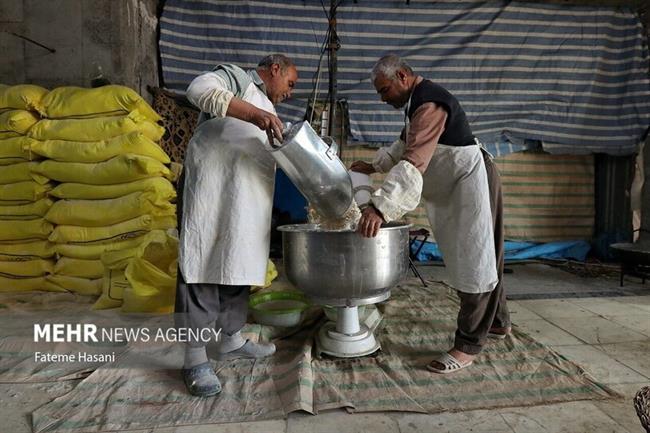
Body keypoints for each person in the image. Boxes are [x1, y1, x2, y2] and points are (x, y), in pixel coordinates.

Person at [351, 54, 510, 374]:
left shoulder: (430, 104)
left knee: (475, 259)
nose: (383, 99)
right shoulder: (415, 105)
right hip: (455, 187)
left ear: (403, 76)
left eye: (384, 91)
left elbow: (412, 162)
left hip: (473, 181)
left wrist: (380, 208)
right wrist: (373, 165)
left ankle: (468, 343)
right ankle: (497, 323)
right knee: (482, 256)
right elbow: (401, 147)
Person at [176, 54, 298, 396]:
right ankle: (194, 357)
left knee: (237, 263)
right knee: (202, 262)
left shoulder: (270, 109)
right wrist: (256, 114)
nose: (290, 92)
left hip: (245, 197)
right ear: (275, 69)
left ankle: (230, 340)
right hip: (212, 189)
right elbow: (198, 89)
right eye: (290, 83)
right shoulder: (238, 80)